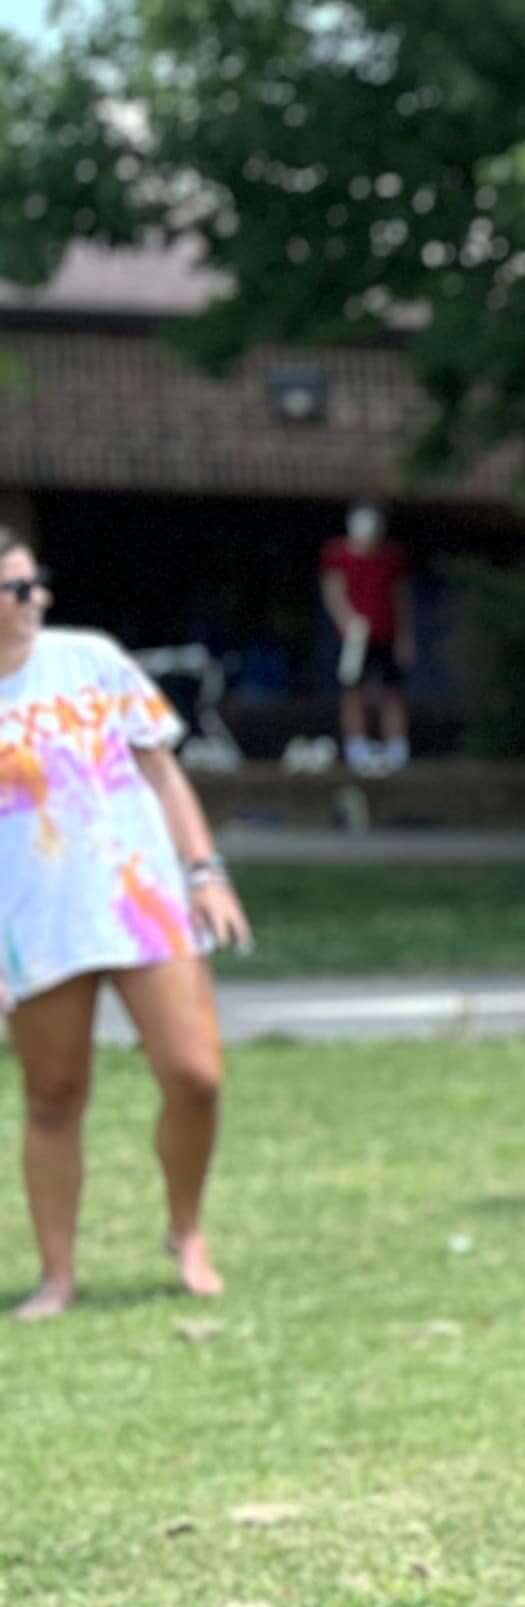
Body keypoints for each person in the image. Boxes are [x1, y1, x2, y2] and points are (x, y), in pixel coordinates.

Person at [0, 529, 248, 1317]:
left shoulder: (93, 659)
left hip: (138, 899)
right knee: (53, 1095)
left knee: (195, 1077)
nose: (36, 597)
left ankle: (186, 1230)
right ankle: (58, 1275)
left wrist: (204, 872)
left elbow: (161, 771)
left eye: (36, 580)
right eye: (16, 588)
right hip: (32, 918)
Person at [317, 501, 413, 774]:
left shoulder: (392, 557)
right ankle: (356, 747)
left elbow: (401, 597)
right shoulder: (337, 554)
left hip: (386, 635)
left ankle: (396, 748)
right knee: (352, 692)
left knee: (392, 692)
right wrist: (348, 622)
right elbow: (333, 591)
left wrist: (405, 637)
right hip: (354, 640)